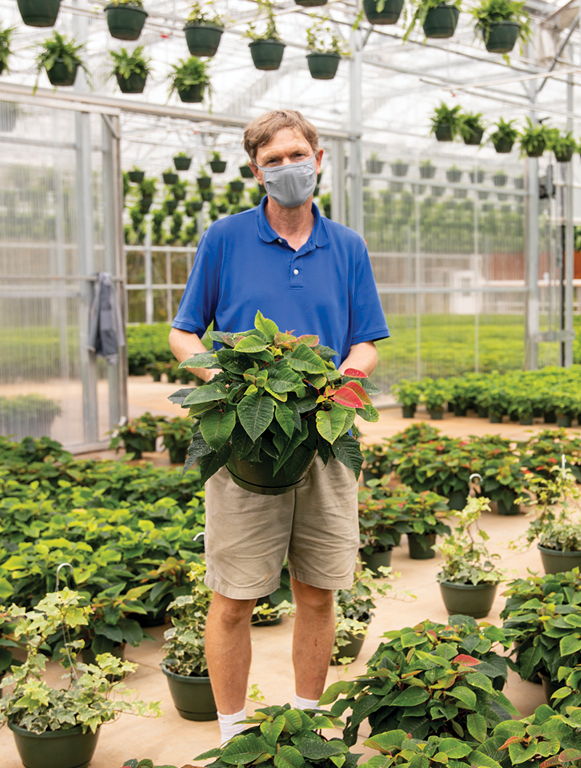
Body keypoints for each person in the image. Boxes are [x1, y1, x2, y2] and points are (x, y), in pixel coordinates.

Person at [168, 109, 388, 744]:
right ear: (255, 172)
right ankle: (233, 733)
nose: (288, 168)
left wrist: (346, 376)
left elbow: (369, 341)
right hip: (245, 440)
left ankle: (309, 723)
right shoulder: (225, 239)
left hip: (327, 436)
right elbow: (183, 335)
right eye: (274, 161)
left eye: (298, 155)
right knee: (234, 597)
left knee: (318, 591)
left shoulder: (346, 246)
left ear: (319, 160)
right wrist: (226, 383)